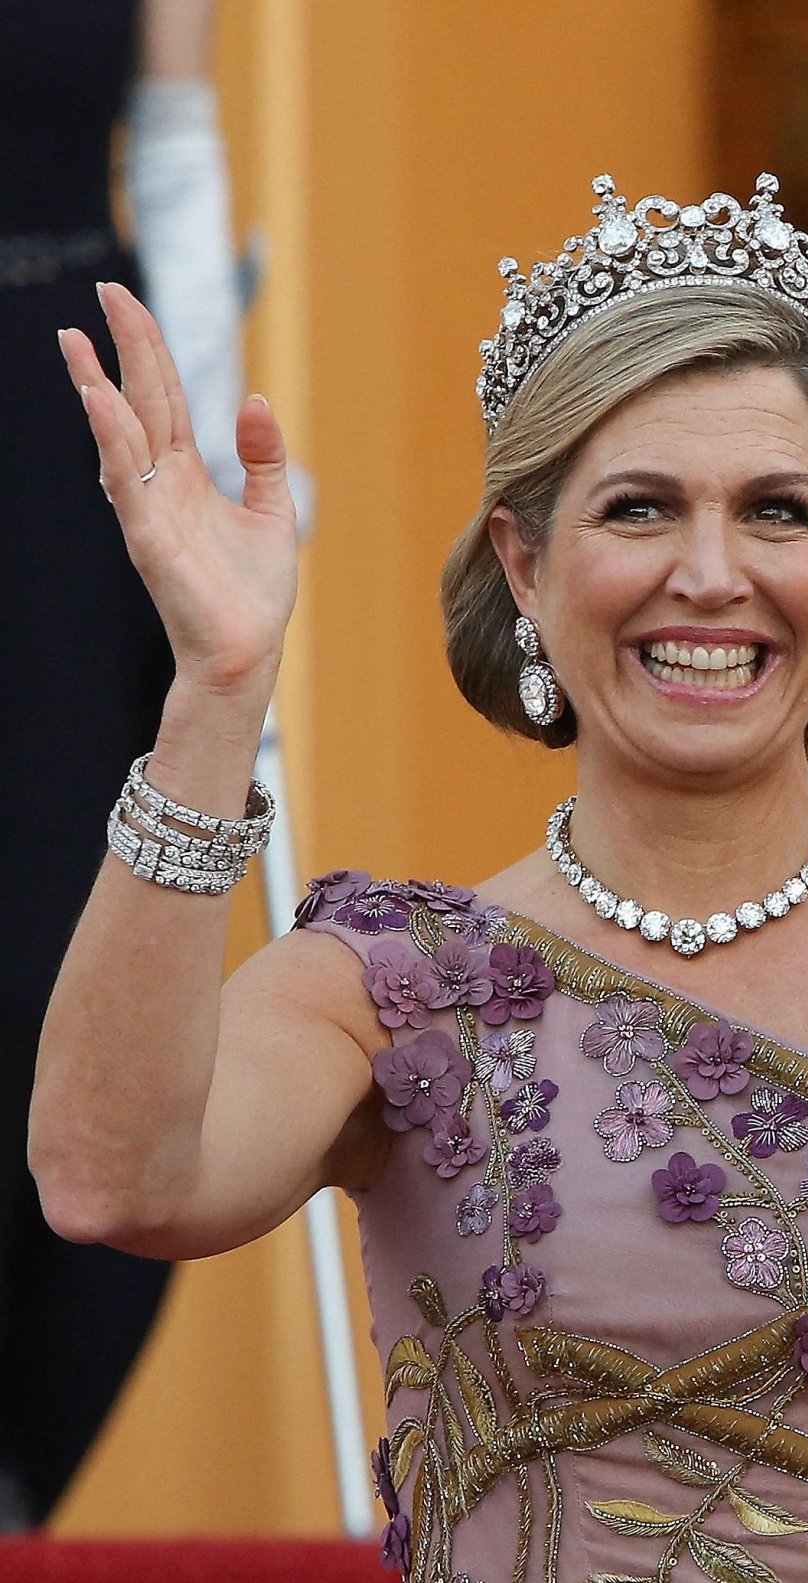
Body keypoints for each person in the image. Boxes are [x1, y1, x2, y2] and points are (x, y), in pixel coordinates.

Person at [36, 172, 808, 1580]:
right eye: (640, 510)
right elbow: (113, 1181)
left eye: (776, 511)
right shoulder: (399, 984)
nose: (711, 575)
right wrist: (215, 688)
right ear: (523, 563)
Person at [0, 0, 240, 1526]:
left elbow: (172, 150)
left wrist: (207, 498)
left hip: (65, 446)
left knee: (57, 941)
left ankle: (20, 1464)